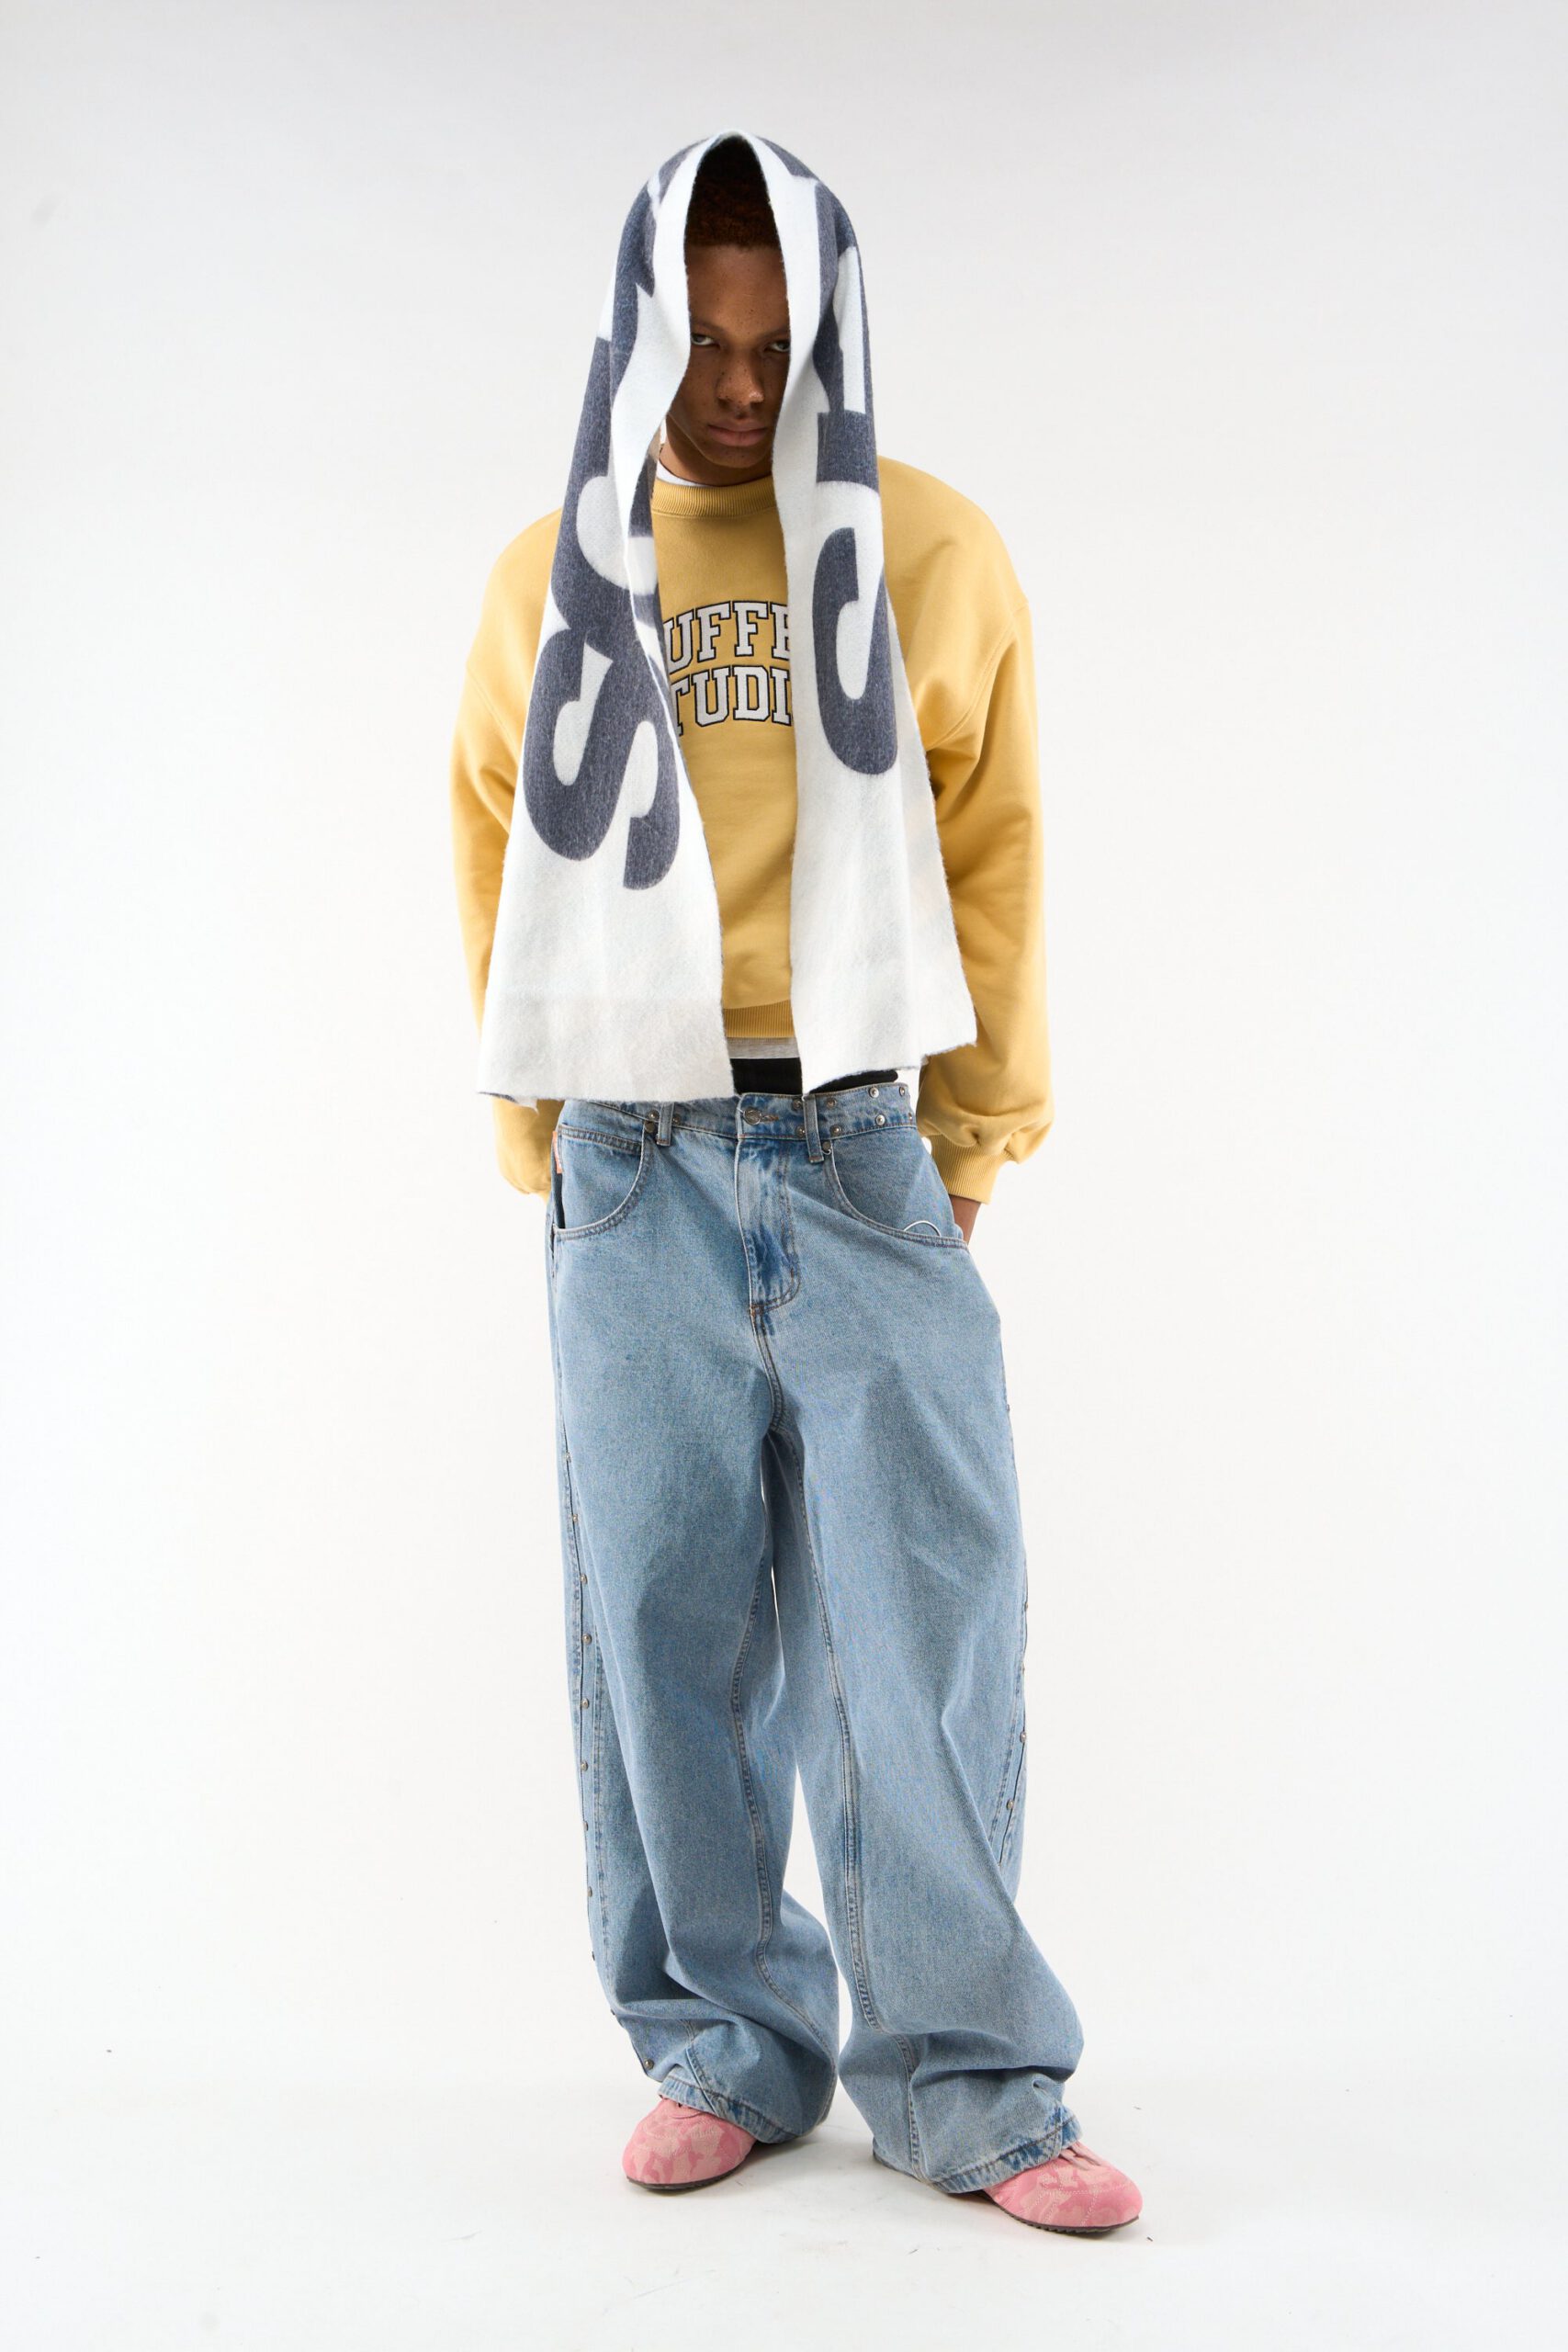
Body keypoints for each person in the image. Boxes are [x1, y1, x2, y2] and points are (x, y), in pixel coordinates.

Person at [449, 130, 1142, 2236]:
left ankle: (968, 2079)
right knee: (659, 1619)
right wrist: (542, 1142)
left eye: (779, 345)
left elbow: (996, 839)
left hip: (856, 1142)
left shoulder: (929, 551)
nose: (742, 385)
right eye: (707, 342)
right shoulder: (555, 572)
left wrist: (969, 1134)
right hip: (630, 1153)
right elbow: (489, 832)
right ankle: (722, 2041)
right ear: (639, 334)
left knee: (914, 1623)